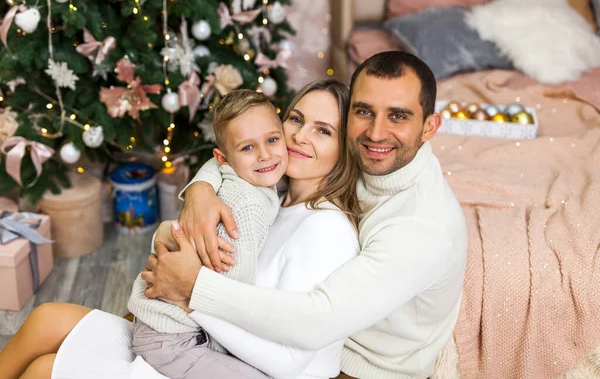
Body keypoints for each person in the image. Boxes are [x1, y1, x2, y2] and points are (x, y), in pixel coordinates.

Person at [0, 78, 362, 379]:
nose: (300, 137)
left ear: (344, 149)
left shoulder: (325, 231)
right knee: (46, 320)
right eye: (296, 120)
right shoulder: (274, 187)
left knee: (45, 371)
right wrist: (197, 194)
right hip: (196, 336)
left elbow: (287, 362)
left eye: (323, 131)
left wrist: (190, 297)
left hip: (237, 362)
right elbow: (223, 161)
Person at [144, 51, 468, 378]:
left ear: (430, 126)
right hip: (273, 347)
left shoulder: (418, 227)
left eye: (398, 116)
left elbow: (316, 322)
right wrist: (201, 190)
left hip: (362, 369)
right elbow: (238, 149)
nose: (376, 132)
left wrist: (192, 290)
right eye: (365, 111)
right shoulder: (301, 178)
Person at [127, 89, 287, 378]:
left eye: (273, 140)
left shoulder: (239, 176)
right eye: (248, 148)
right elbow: (231, 283)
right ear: (224, 158)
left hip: (165, 326)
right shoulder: (249, 206)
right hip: (175, 338)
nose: (265, 155)